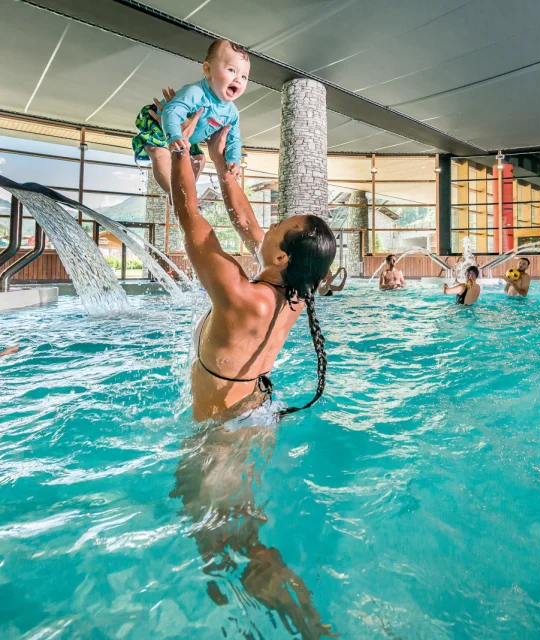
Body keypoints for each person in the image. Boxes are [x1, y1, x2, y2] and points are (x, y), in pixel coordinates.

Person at [169, 112, 337, 638]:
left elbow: (186, 212)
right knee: (225, 535)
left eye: (279, 227)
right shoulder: (293, 292)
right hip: (257, 417)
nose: (267, 226)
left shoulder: (241, 297)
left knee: (238, 540)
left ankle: (314, 630)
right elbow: (244, 222)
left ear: (282, 252)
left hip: (225, 439)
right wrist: (223, 167)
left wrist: (178, 147)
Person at [132, 39, 249, 194]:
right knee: (160, 153)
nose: (238, 79)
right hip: (162, 127)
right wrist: (173, 136)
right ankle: (174, 195)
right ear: (207, 70)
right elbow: (171, 112)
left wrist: (233, 160)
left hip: (187, 137)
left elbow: (234, 138)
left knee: (199, 160)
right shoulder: (196, 92)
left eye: (244, 76)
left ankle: (187, 193)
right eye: (231, 70)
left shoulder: (232, 113)